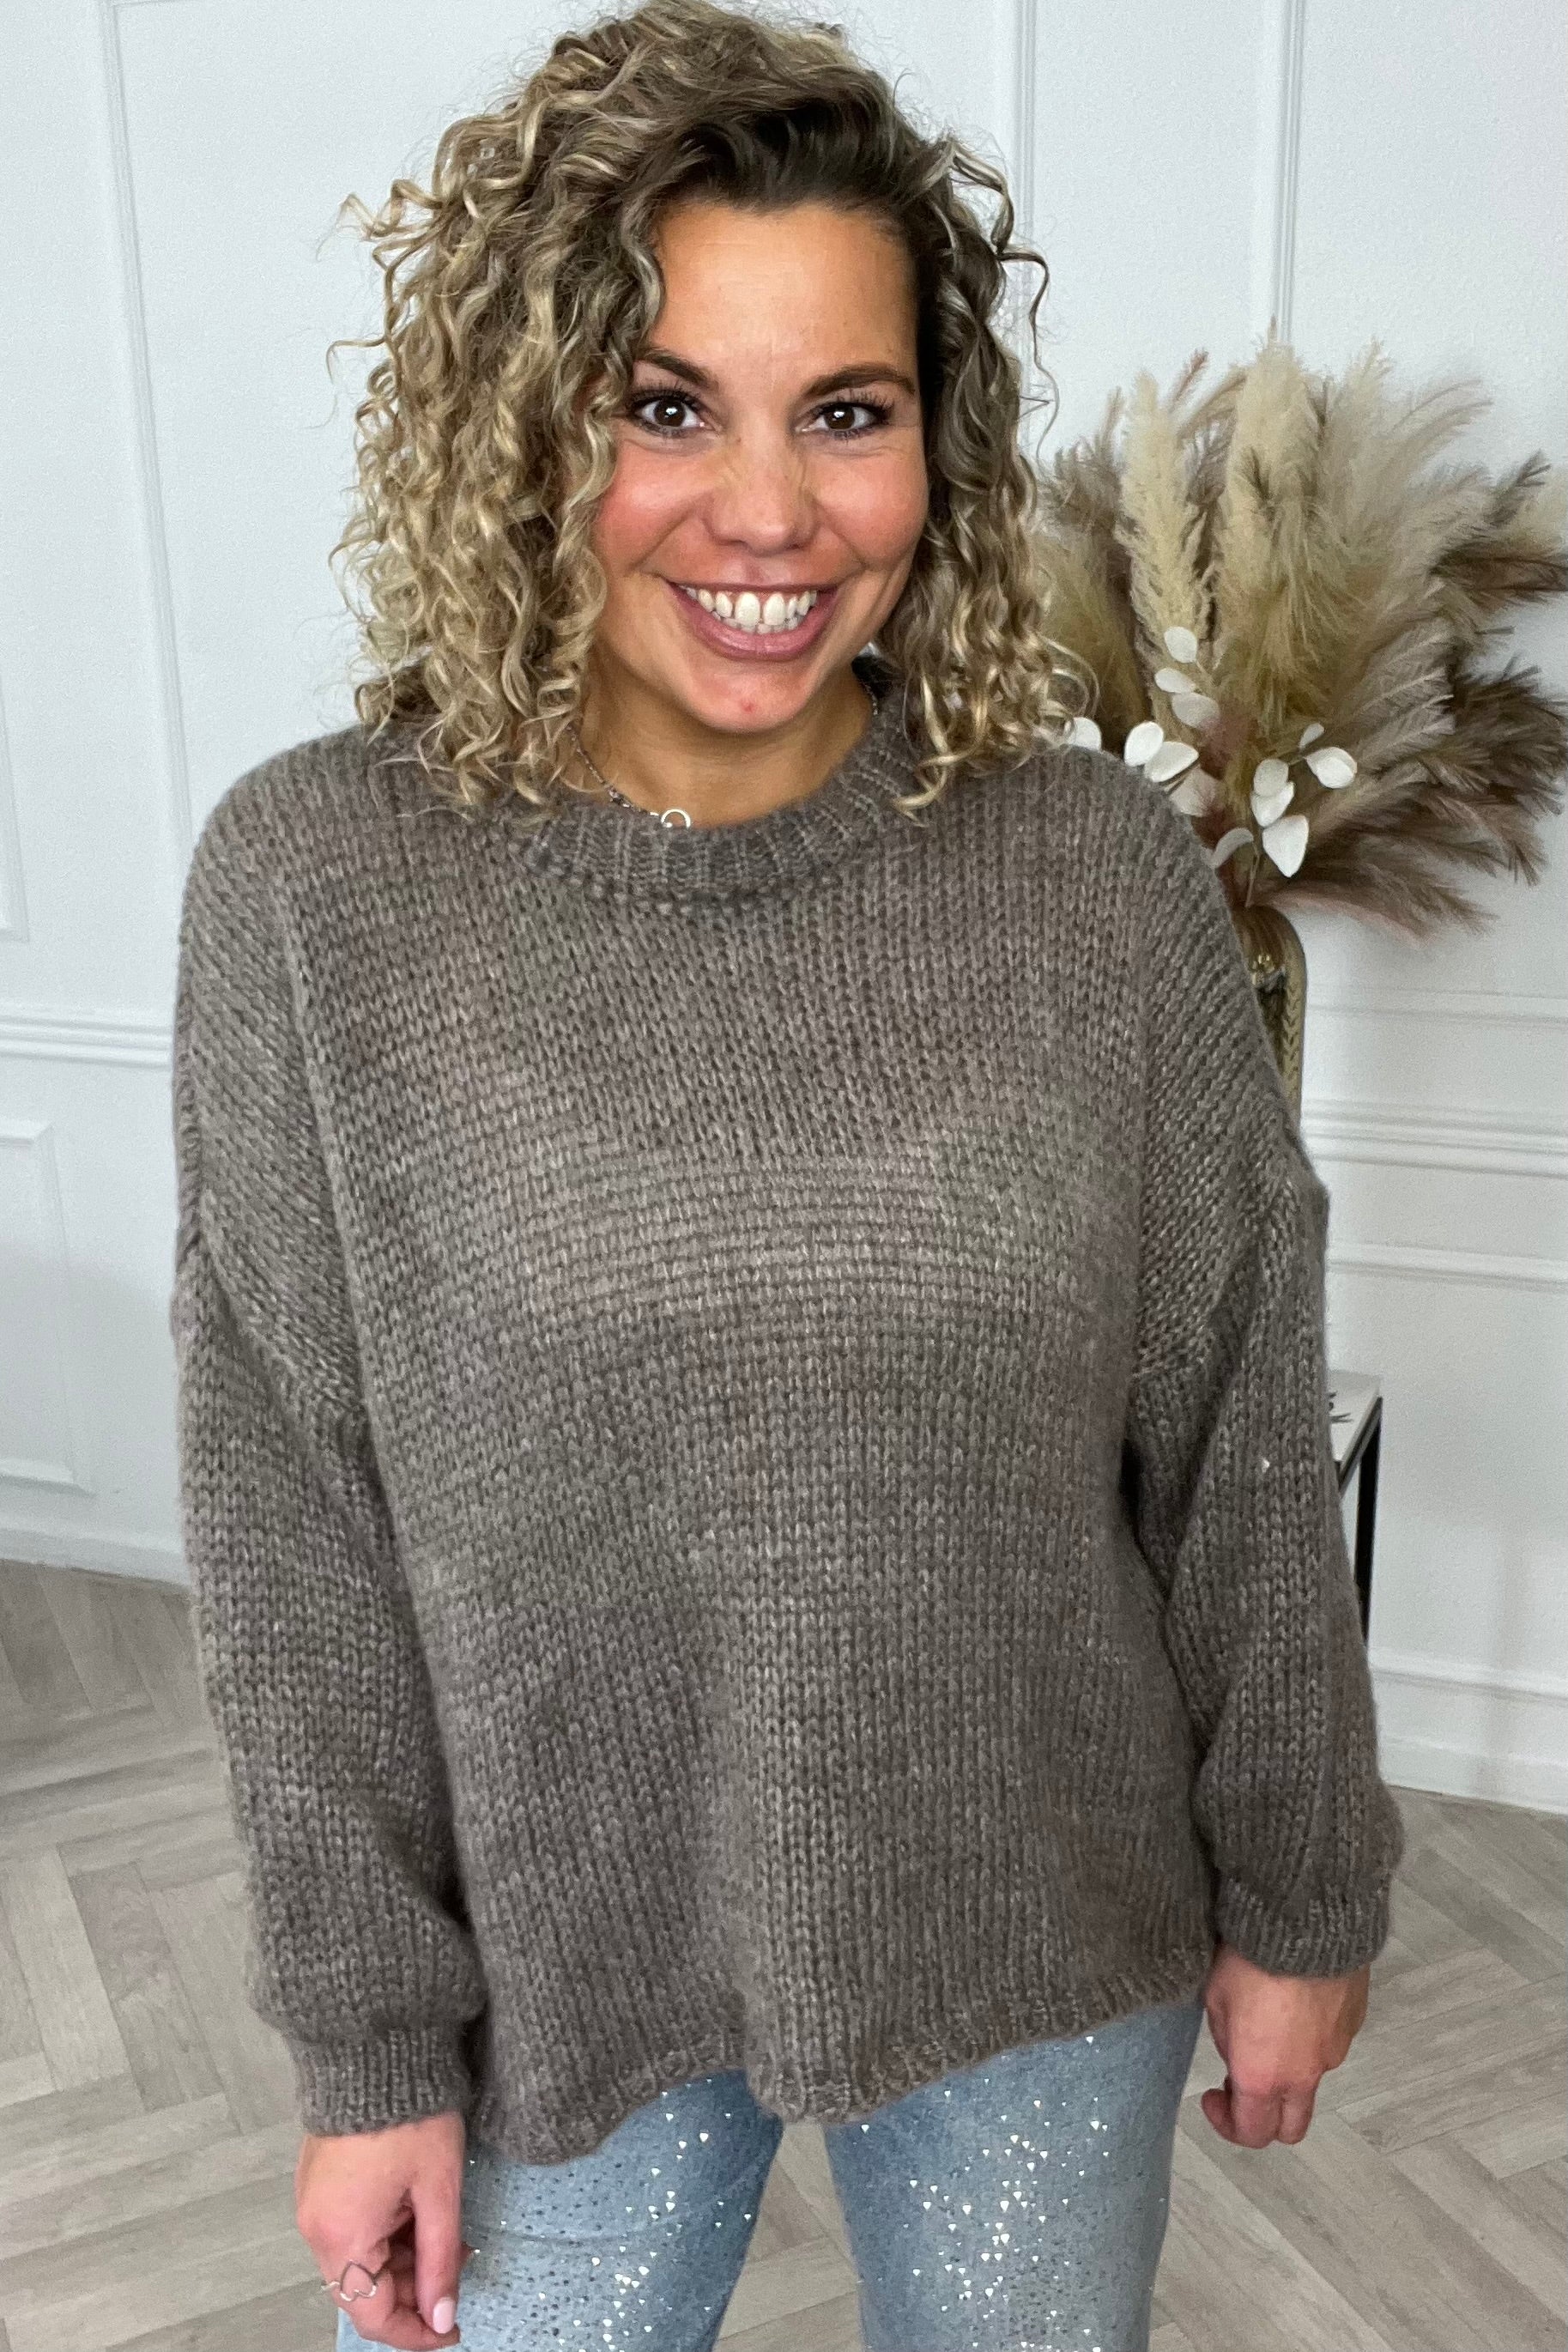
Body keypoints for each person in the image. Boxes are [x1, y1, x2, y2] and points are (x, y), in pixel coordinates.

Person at [167, 2, 1407, 2346]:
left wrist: (1303, 1885)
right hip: (557, 1951)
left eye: (845, 411)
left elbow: (1239, 1428)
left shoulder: (1090, 879)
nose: (766, 513)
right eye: (664, 406)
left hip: (1043, 1914)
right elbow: (292, 1520)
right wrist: (364, 2044)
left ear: (937, 442)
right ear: (525, 429)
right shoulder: (316, 890)